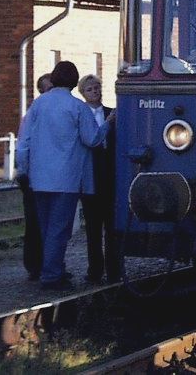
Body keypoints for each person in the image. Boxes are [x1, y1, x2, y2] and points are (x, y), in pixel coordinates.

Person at [16, 61, 113, 291]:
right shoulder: (77, 107)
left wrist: (24, 169)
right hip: (66, 178)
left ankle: (53, 269)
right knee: (59, 229)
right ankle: (51, 275)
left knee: (46, 226)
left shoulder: (38, 104)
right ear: (73, 80)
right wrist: (108, 124)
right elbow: (92, 139)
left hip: (39, 177)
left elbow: (24, 141)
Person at [78, 74, 121, 284]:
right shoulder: (81, 114)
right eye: (90, 89)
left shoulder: (111, 113)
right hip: (90, 174)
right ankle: (95, 269)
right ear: (83, 93)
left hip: (109, 173)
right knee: (93, 228)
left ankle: (114, 269)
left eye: (97, 88)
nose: (95, 92)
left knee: (112, 227)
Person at [15, 73, 54, 280]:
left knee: (47, 222)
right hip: (33, 174)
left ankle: (44, 263)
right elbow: (24, 144)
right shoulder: (35, 113)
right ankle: (34, 264)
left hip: (46, 173)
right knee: (35, 221)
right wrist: (23, 172)